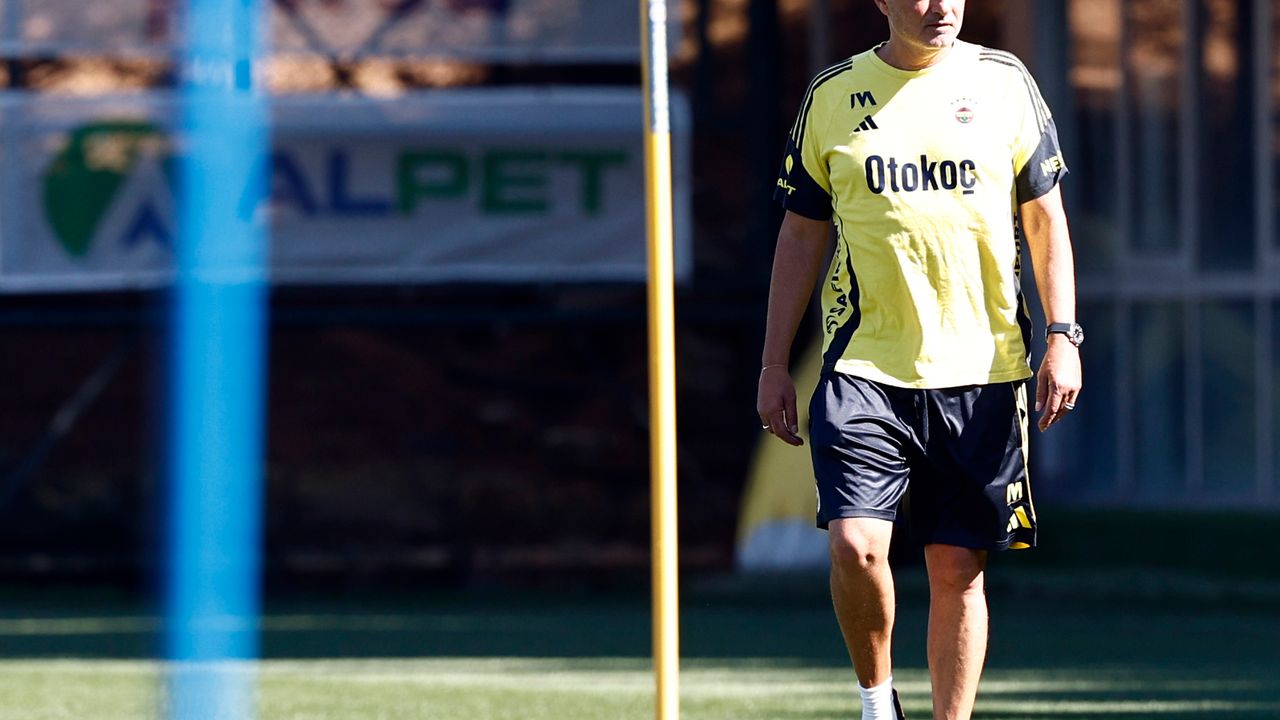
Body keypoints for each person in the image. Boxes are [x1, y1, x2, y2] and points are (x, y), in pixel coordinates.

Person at [756, 1, 1082, 719]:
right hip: (863, 367)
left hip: (984, 369)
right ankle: (878, 705)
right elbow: (801, 235)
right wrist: (774, 363)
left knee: (957, 567)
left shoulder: (1005, 82)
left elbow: (1045, 218)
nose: (940, 7)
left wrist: (1063, 335)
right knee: (855, 544)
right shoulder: (833, 95)